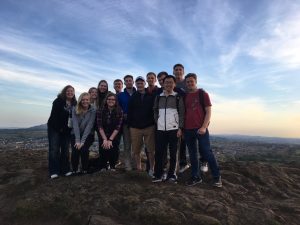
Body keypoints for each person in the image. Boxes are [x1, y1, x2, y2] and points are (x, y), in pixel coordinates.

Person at [184, 73, 222, 187]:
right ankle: (196, 177)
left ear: (196, 82)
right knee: (192, 154)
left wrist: (204, 127)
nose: (190, 83)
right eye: (188, 82)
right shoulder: (185, 96)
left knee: (207, 152)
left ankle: (217, 177)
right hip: (187, 129)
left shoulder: (202, 94)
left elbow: (208, 111)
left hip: (200, 129)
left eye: (192, 81)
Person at [152, 75, 185, 183]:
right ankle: (158, 174)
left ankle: (172, 175)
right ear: (163, 84)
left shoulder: (178, 97)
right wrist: (158, 122)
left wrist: (180, 128)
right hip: (160, 129)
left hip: (174, 129)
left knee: (174, 153)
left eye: (171, 82)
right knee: (159, 153)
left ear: (174, 84)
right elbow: (155, 110)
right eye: (166, 82)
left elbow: (182, 113)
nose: (168, 84)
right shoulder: (159, 96)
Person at [128, 76, 156, 176]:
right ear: (135, 84)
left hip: (149, 127)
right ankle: (139, 168)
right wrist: (131, 124)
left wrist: (153, 123)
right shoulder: (133, 97)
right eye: (138, 83)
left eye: (141, 83)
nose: (140, 85)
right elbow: (130, 111)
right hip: (135, 127)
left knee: (151, 150)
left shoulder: (151, 96)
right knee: (136, 150)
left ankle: (152, 169)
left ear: (145, 84)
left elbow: (154, 110)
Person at [47, 85, 77, 179]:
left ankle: (65, 169)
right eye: (68, 91)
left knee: (65, 150)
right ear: (64, 92)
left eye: (72, 91)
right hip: (54, 128)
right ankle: (54, 171)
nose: (70, 93)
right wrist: (60, 129)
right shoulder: (58, 101)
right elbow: (54, 116)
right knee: (54, 149)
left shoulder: (75, 103)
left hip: (67, 130)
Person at [71, 92, 96, 174]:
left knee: (84, 149)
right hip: (75, 133)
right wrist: (78, 141)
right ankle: (75, 169)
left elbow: (89, 126)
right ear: (80, 100)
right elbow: (75, 125)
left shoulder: (93, 110)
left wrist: (82, 141)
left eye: (87, 100)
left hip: (88, 134)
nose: (85, 101)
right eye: (83, 100)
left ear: (89, 100)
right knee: (75, 150)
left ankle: (84, 169)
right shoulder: (75, 109)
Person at [97, 93, 123, 171]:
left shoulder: (119, 111)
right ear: (106, 100)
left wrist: (110, 139)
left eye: (113, 99)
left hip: (114, 134)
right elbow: (99, 126)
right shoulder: (100, 110)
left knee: (113, 149)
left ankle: (112, 166)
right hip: (103, 133)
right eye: (109, 99)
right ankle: (103, 166)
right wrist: (105, 139)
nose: (111, 101)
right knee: (103, 148)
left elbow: (118, 127)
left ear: (115, 101)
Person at [173, 63, 190, 174]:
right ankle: (175, 164)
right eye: (176, 70)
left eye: (180, 69)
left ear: (183, 71)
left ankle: (183, 164)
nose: (178, 71)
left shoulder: (187, 83)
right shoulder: (172, 83)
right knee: (174, 142)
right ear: (173, 71)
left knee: (184, 141)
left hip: (187, 115)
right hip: (173, 115)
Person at [118, 75, 136, 170]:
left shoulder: (138, 93)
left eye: (130, 80)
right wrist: (123, 114)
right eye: (127, 81)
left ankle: (137, 165)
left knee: (137, 146)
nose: (129, 82)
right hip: (126, 124)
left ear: (133, 82)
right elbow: (118, 108)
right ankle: (128, 165)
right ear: (124, 83)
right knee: (127, 145)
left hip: (137, 124)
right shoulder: (120, 95)